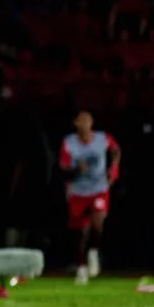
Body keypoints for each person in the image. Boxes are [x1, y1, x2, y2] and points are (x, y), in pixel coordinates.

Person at [59, 110, 120, 285]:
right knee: (79, 232)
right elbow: (62, 167)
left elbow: (115, 150)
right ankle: (81, 266)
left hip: (98, 188)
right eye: (81, 121)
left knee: (98, 222)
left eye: (88, 121)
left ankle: (93, 253)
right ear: (76, 123)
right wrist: (76, 169)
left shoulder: (102, 139)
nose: (85, 124)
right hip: (78, 191)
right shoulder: (69, 143)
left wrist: (113, 170)